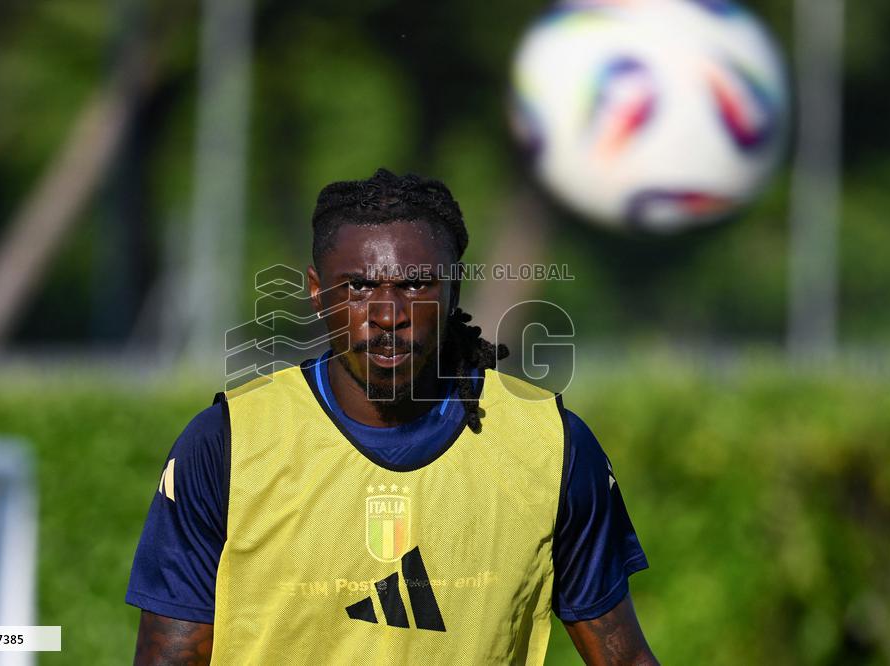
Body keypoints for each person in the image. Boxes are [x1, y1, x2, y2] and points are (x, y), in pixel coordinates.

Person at [126, 168, 657, 665]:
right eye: (358, 286)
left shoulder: (551, 445)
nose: (387, 315)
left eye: (415, 284)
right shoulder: (227, 444)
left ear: (454, 288)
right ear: (316, 291)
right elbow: (168, 657)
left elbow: (624, 656)